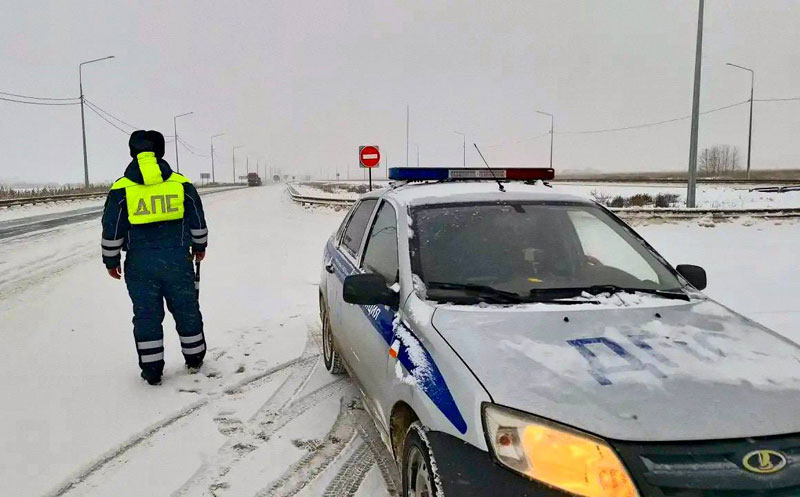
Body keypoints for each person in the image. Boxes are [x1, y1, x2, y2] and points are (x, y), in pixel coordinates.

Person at [101, 130, 209, 385]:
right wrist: (200, 246)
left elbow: (112, 228)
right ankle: (194, 359)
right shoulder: (180, 184)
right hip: (177, 260)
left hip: (140, 264)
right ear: (160, 151)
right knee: (186, 308)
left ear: (132, 152)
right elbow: (197, 218)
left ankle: (151, 370)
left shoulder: (121, 188)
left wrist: (111, 260)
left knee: (147, 315)